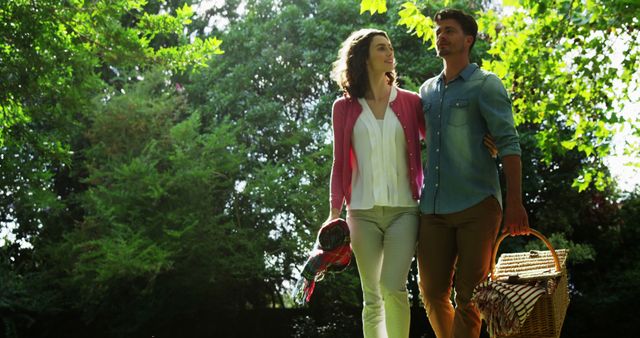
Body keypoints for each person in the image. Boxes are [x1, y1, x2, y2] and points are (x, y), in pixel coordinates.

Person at [326, 28, 497, 338]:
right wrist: (333, 213)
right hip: (360, 212)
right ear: (363, 57)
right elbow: (339, 163)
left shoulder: (409, 102)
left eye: (390, 47)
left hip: (404, 211)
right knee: (372, 297)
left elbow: (443, 137)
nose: (390, 52)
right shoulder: (344, 107)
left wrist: (484, 139)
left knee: (392, 286)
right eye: (381, 48)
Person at [416, 9, 530, 338]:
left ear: (468, 39)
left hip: (477, 206)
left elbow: (509, 143)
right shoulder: (426, 92)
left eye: (449, 31)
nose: (442, 36)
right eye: (438, 31)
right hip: (433, 210)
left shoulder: (486, 85)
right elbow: (420, 136)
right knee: (431, 294)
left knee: (470, 297)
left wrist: (514, 203)